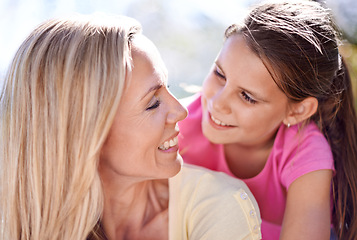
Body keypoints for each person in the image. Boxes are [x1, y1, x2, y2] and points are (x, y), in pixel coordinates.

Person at [0, 14, 262, 240]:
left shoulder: (216, 206)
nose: (180, 111)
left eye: (167, 88)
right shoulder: (19, 223)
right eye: (152, 104)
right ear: (87, 135)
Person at [178, 0, 357, 239]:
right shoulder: (178, 122)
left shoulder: (305, 152)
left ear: (297, 111)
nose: (218, 102)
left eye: (247, 97)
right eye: (220, 74)